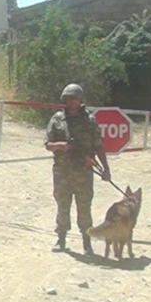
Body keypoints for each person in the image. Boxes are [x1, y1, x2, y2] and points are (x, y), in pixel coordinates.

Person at [44, 83, 109, 254]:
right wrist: (61, 145)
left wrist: (105, 169)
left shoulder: (89, 121)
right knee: (62, 205)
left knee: (84, 206)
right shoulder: (57, 119)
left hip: (83, 171)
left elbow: (99, 146)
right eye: (68, 98)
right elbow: (48, 145)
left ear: (81, 99)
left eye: (75, 98)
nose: (71, 101)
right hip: (62, 171)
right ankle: (61, 238)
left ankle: (87, 242)